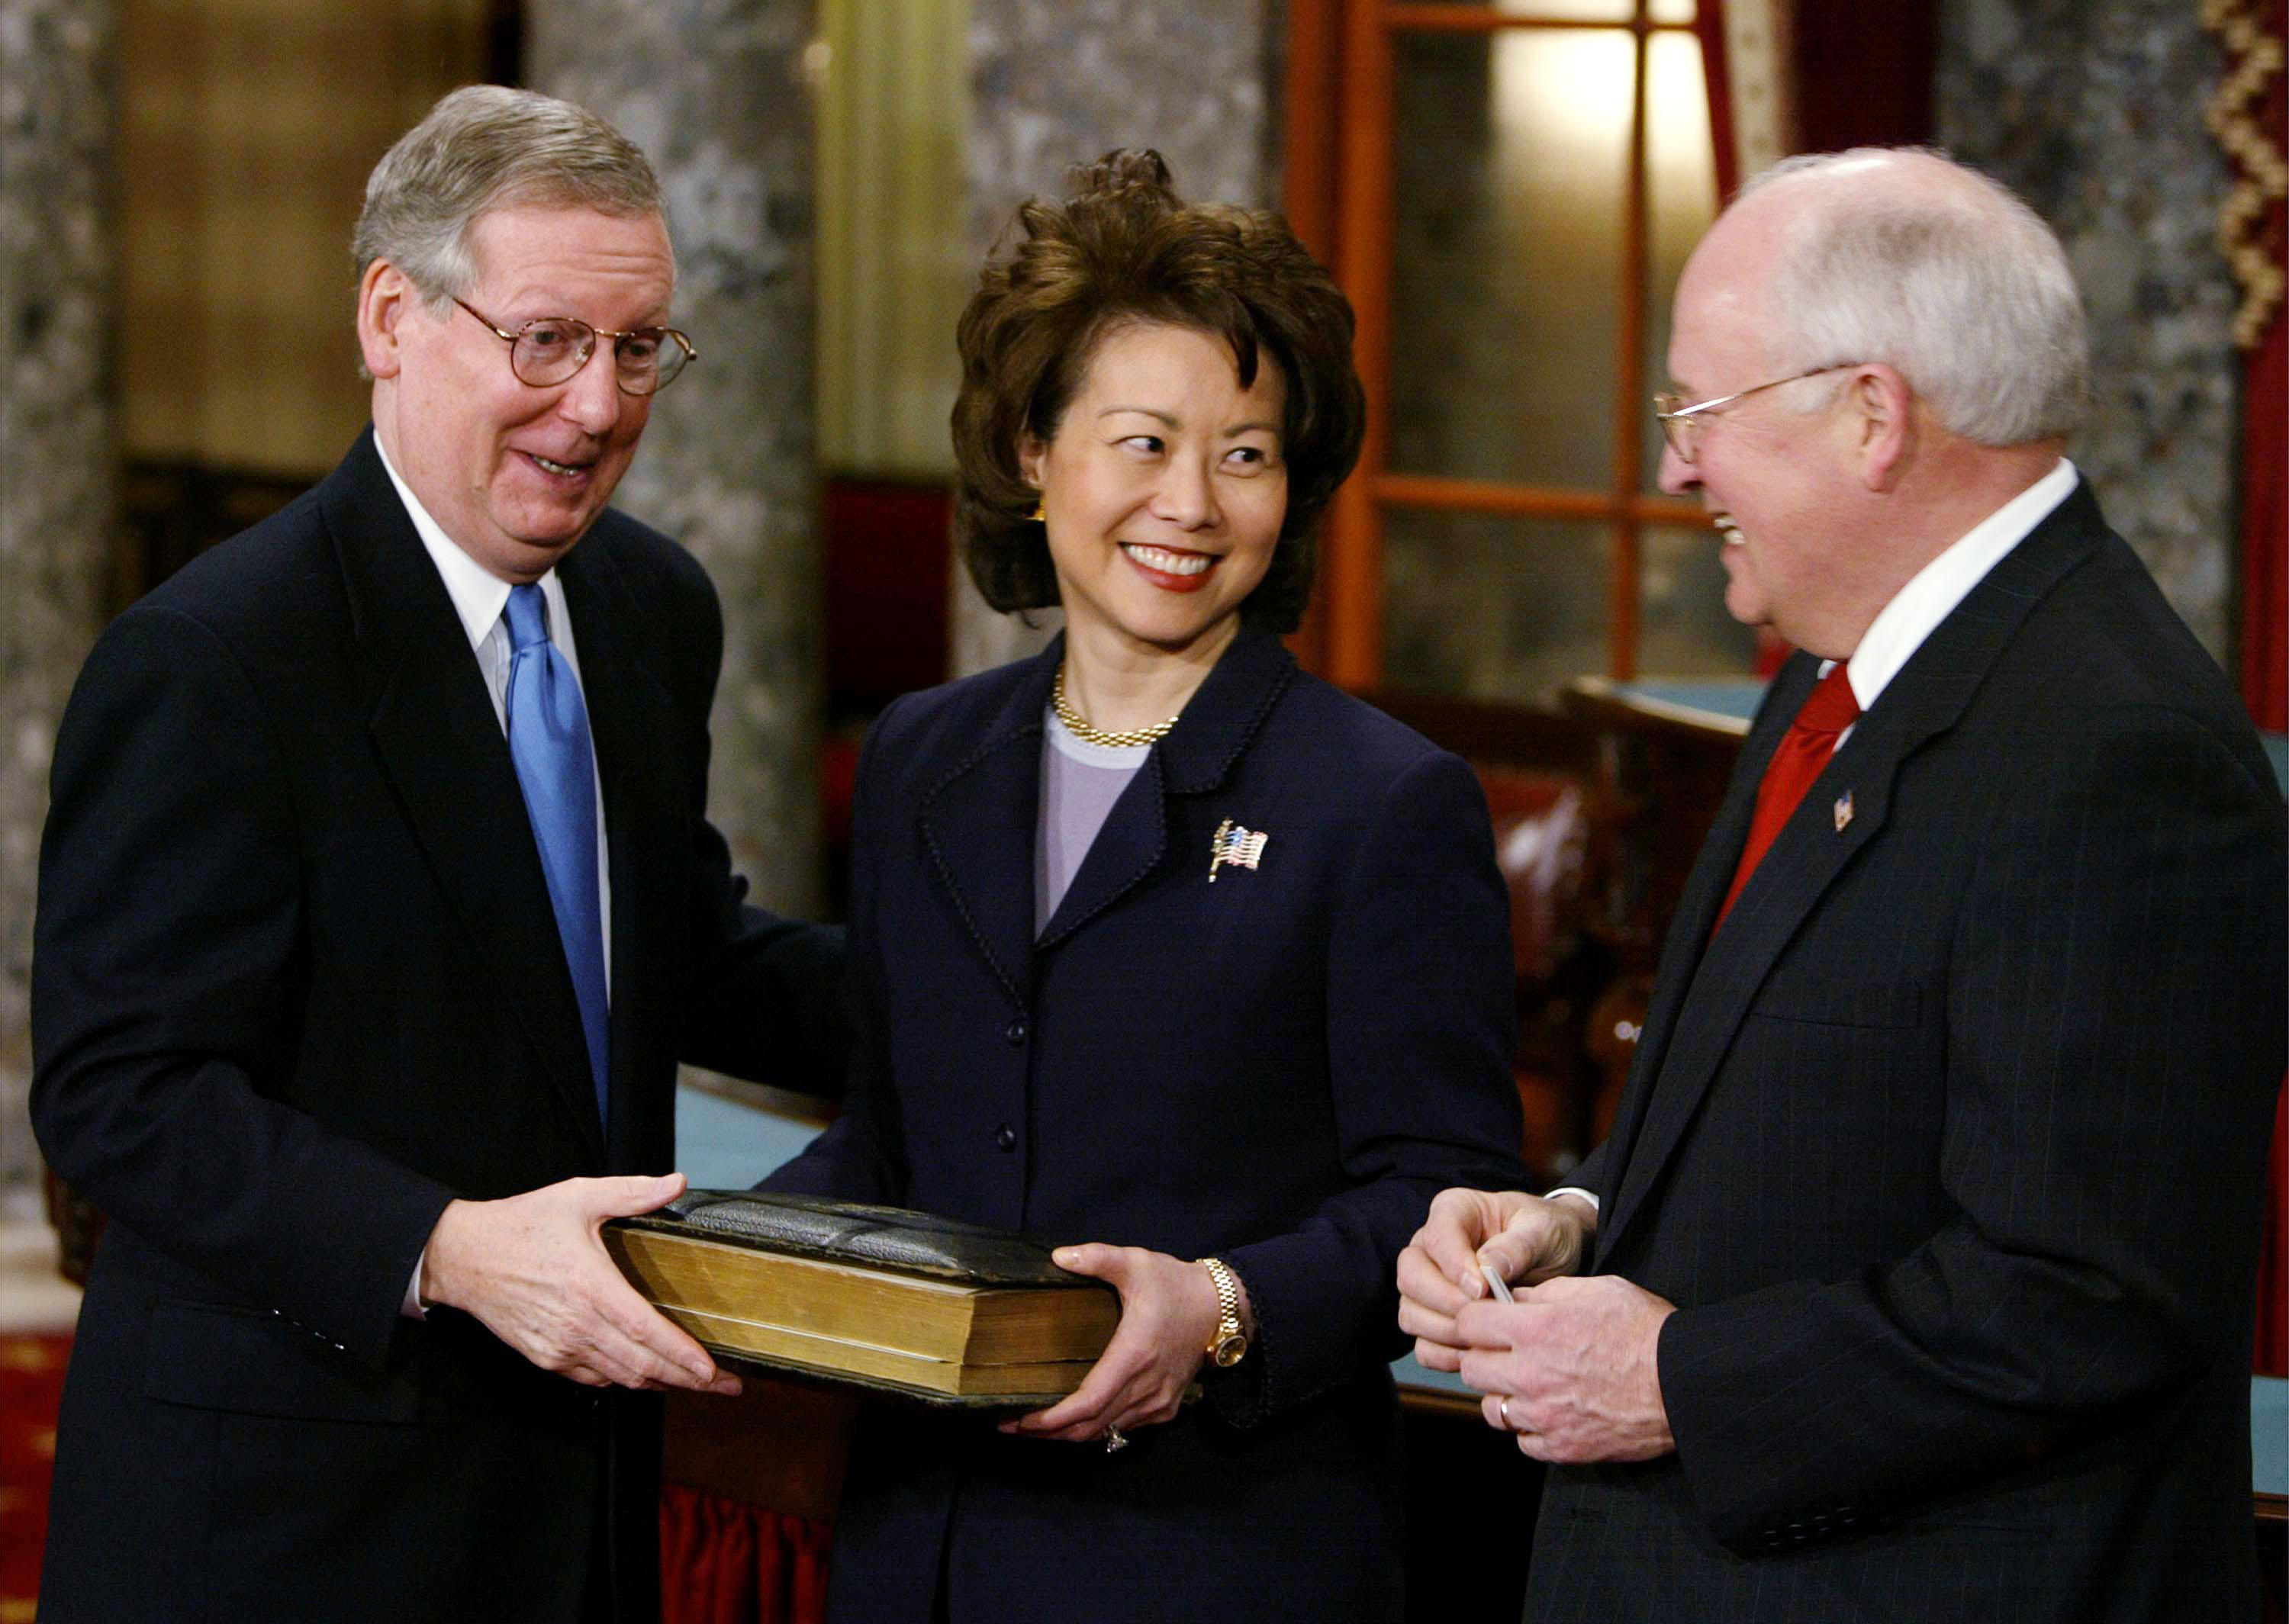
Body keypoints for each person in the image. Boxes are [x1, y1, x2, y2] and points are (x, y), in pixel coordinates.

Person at [1399, 147, 2287, 1623]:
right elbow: (1784, 1122)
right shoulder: (1837, 666)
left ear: (1872, 414)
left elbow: (2086, 1296)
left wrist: (1672, 1378)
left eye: (1699, 411)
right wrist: (1574, 1210)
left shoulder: (2117, 753)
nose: (1676, 465)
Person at [31, 86, 844, 1624]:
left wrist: (1028, 1004)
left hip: (573, 1497)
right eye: (545, 340)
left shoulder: (652, 608)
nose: (599, 406)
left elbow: (671, 947)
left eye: (637, 347)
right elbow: (118, 1095)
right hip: (286, 1521)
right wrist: (452, 1250)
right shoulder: (215, 657)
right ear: (392, 320)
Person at [761, 149, 1528, 1623]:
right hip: (917, 1545)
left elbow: (1449, 1195)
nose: (1191, 502)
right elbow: (888, 1137)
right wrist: (709, 1262)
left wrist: (1225, 1308)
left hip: (1218, 1552)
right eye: (1144, 441)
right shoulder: (924, 756)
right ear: (1035, 450)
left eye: (1245, 453)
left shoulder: (1382, 801)